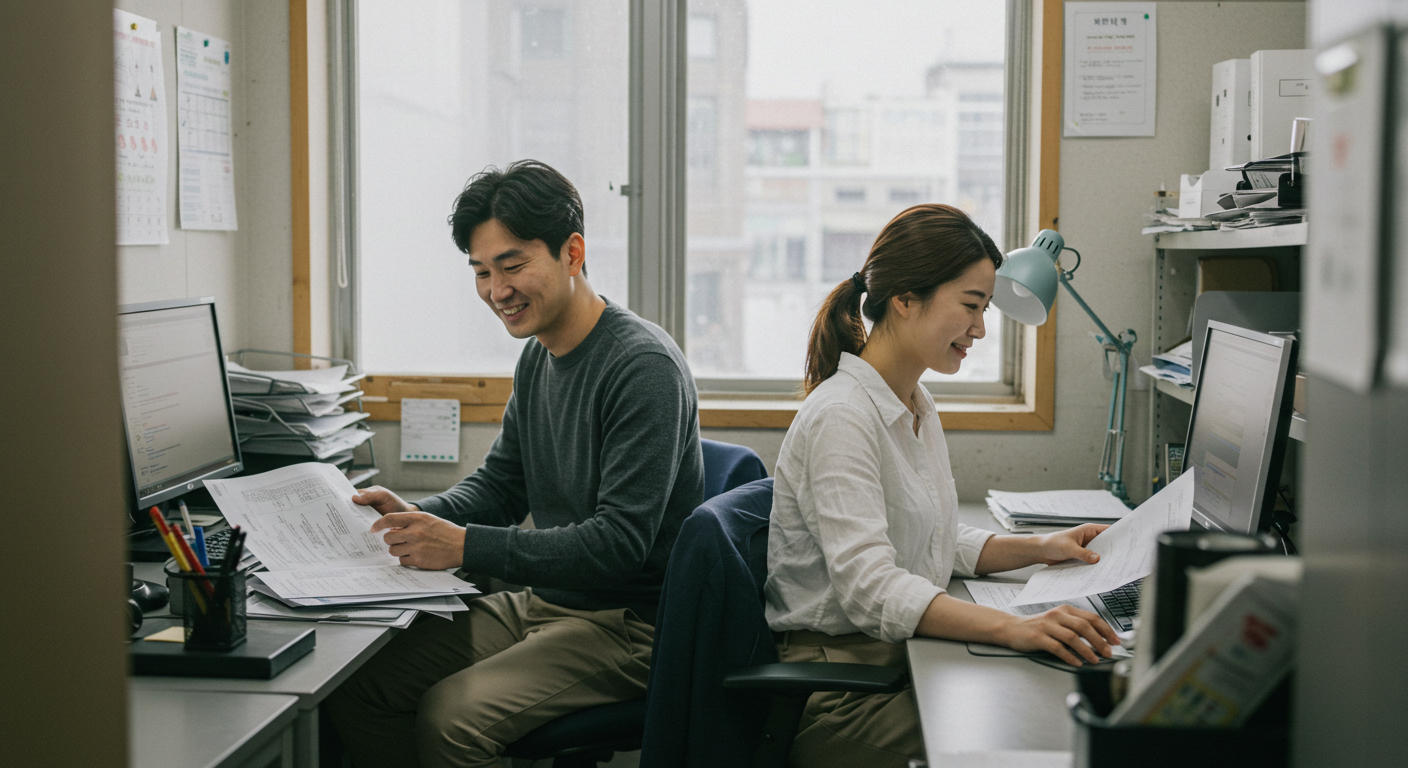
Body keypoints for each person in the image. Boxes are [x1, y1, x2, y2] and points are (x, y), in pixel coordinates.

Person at [325, 160, 705, 768]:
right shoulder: (539, 356)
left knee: (449, 719)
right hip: (544, 605)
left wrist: (464, 546)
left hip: (629, 624)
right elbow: (503, 485)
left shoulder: (643, 367)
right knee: (358, 684)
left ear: (572, 253)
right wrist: (416, 518)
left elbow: (619, 543)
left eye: (512, 265)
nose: (496, 290)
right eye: (481, 271)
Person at [764, 204, 1121, 767]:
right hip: (841, 693)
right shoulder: (843, 416)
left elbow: (929, 535)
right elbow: (872, 587)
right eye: (972, 305)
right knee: (1033, 742)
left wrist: (1040, 547)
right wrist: (1015, 628)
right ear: (905, 300)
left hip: (896, 663)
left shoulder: (913, 402)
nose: (981, 328)